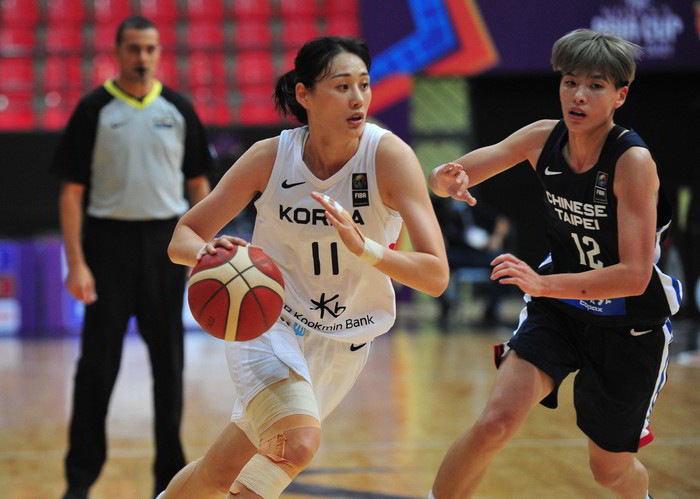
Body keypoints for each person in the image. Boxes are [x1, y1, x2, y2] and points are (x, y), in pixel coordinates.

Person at [158, 36, 449, 499]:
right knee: (297, 444)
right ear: (304, 94)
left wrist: (366, 248)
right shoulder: (270, 157)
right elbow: (183, 236)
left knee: (223, 470)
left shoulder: (389, 158)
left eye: (364, 84)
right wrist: (209, 255)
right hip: (269, 320)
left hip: (346, 341)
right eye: (342, 86)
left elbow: (435, 276)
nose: (358, 98)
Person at [427, 29, 682, 499]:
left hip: (629, 324)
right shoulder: (541, 137)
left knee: (609, 472)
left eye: (595, 85)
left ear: (620, 95)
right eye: (570, 82)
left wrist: (543, 285)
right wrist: (446, 181)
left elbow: (634, 276)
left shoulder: (632, 161)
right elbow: (448, 176)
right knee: (495, 423)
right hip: (560, 311)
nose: (578, 95)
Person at [51, 16, 213, 499]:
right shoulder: (93, 109)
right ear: (117, 52)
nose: (142, 57)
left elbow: (199, 187)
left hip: (167, 244)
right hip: (108, 246)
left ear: (159, 52)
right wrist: (77, 262)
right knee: (97, 367)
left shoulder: (179, 109)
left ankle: (168, 479)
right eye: (133, 48)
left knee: (169, 365)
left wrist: (205, 251)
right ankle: (80, 479)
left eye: (150, 48)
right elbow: (71, 194)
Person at [431, 193, 511, 328]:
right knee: (434, 264)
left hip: (478, 253)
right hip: (454, 253)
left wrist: (496, 238)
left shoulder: (473, 204)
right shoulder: (439, 206)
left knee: (502, 262)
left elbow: (502, 221)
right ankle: (445, 306)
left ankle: (491, 310)